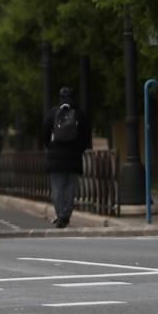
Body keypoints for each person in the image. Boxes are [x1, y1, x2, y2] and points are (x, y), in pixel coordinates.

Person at [42, 86, 91, 228]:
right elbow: (86, 135)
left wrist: (50, 147)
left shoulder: (52, 114)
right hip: (74, 156)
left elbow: (45, 132)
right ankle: (66, 215)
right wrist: (79, 149)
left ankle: (60, 215)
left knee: (57, 188)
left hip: (55, 157)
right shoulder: (80, 115)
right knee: (71, 188)